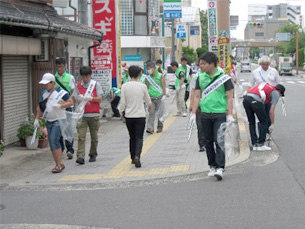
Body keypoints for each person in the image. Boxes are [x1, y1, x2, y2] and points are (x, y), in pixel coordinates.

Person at [191, 52, 234, 181]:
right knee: (207, 141)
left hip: (220, 113)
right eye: (200, 64)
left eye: (203, 64)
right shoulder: (200, 78)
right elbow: (197, 96)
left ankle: (220, 168)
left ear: (212, 64)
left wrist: (230, 115)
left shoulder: (225, 78)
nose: (201, 66)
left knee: (219, 140)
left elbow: (229, 97)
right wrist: (193, 113)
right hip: (204, 113)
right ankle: (212, 166)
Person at [34, 73, 73, 173]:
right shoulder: (44, 93)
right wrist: (37, 119)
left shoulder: (61, 92)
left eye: (47, 83)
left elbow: (70, 102)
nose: (45, 85)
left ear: (53, 83)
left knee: (53, 139)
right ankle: (57, 163)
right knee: (52, 142)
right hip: (49, 120)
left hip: (59, 119)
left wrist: (60, 106)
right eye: (44, 84)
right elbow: (40, 107)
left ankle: (60, 164)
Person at [119, 65, 152, 168]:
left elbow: (122, 103)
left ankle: (132, 157)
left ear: (129, 73)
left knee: (132, 137)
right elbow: (148, 100)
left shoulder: (124, 86)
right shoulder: (142, 86)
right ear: (139, 74)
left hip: (129, 116)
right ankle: (137, 156)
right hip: (140, 115)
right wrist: (149, 106)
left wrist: (121, 112)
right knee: (139, 137)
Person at [243, 83, 285, 151]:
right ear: (279, 91)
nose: (279, 96)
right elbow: (271, 111)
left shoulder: (266, 86)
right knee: (264, 121)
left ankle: (254, 144)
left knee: (251, 122)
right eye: (281, 94)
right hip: (255, 100)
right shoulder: (275, 93)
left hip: (246, 99)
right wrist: (272, 124)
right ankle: (260, 144)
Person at [75, 66, 103, 165]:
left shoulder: (95, 84)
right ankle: (80, 156)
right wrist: (80, 98)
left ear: (90, 75)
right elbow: (75, 98)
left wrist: (90, 98)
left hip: (94, 114)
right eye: (83, 76)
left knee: (94, 137)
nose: (85, 79)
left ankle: (93, 154)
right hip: (82, 115)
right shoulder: (78, 85)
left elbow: (100, 98)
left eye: (87, 76)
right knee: (81, 136)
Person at [246, 56, 282, 131]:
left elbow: (278, 83)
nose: (265, 66)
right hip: (259, 97)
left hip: (270, 96)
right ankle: (262, 133)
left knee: (269, 113)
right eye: (263, 64)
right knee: (261, 116)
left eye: (267, 64)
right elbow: (251, 83)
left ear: (269, 64)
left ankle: (268, 131)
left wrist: (278, 94)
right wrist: (247, 93)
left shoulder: (274, 71)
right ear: (260, 64)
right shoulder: (256, 72)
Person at [54, 57, 76, 159]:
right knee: (58, 128)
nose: (59, 69)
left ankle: (70, 149)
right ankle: (61, 149)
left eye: (61, 66)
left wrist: (68, 101)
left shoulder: (70, 77)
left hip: (67, 106)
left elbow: (73, 91)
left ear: (65, 66)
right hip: (57, 107)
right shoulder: (53, 78)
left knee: (68, 128)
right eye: (58, 66)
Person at [145, 61, 166, 134]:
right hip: (151, 98)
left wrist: (164, 95)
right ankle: (150, 128)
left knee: (160, 114)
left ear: (154, 68)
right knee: (151, 113)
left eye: (149, 68)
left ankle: (159, 128)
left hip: (160, 97)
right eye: (147, 69)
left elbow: (164, 87)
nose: (148, 70)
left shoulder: (160, 76)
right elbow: (147, 88)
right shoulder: (148, 78)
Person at [189, 63, 205, 152]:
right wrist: (191, 104)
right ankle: (202, 144)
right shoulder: (196, 77)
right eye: (201, 64)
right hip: (198, 105)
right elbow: (193, 91)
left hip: (210, 106)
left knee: (208, 125)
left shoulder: (213, 77)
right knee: (200, 125)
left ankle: (208, 142)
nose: (203, 66)